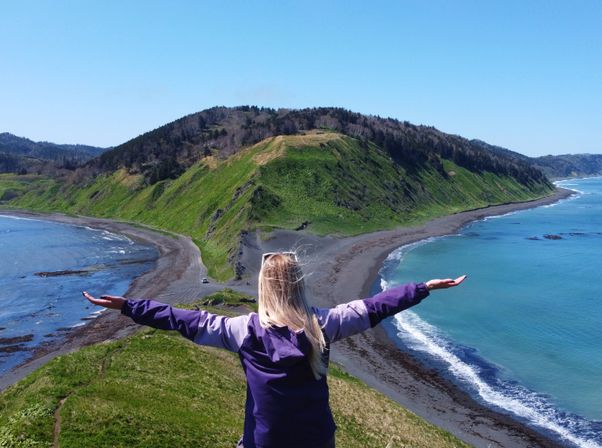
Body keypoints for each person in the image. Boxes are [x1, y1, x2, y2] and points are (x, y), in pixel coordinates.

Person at [83, 251, 466, 448]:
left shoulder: (241, 330)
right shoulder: (323, 326)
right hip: (317, 439)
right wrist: (422, 288)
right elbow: (375, 306)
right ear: (299, 285)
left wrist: (131, 306)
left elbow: (184, 320)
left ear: (263, 289)